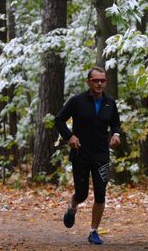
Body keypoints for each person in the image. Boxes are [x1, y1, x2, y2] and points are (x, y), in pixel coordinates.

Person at [56, 67, 121, 245]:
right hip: (81, 154)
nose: (99, 83)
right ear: (89, 82)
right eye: (96, 80)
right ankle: (72, 207)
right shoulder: (77, 101)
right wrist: (69, 136)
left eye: (102, 80)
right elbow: (59, 120)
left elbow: (115, 123)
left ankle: (93, 231)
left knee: (100, 194)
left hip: (101, 156)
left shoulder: (110, 103)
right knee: (82, 193)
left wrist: (116, 134)